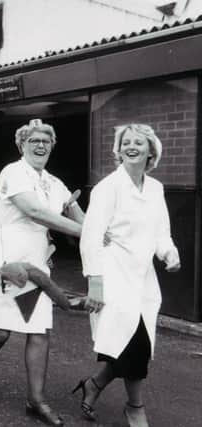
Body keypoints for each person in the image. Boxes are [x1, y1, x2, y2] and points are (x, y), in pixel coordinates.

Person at [0, 119, 83, 426]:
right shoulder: (13, 172)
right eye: (33, 141)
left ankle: (36, 401)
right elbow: (36, 212)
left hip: (36, 257)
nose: (40, 145)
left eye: (45, 141)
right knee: (0, 331)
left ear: (52, 146)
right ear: (21, 145)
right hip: (5, 255)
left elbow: (75, 211)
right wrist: (88, 233)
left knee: (39, 330)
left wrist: (97, 230)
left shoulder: (54, 182)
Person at [75, 124, 180, 427]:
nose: (131, 146)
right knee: (134, 343)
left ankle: (93, 385)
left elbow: (162, 232)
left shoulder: (156, 188)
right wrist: (94, 281)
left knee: (132, 341)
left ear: (152, 151)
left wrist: (169, 254)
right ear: (118, 150)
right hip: (112, 275)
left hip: (143, 279)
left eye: (139, 142)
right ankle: (135, 407)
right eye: (126, 142)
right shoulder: (108, 187)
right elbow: (91, 237)